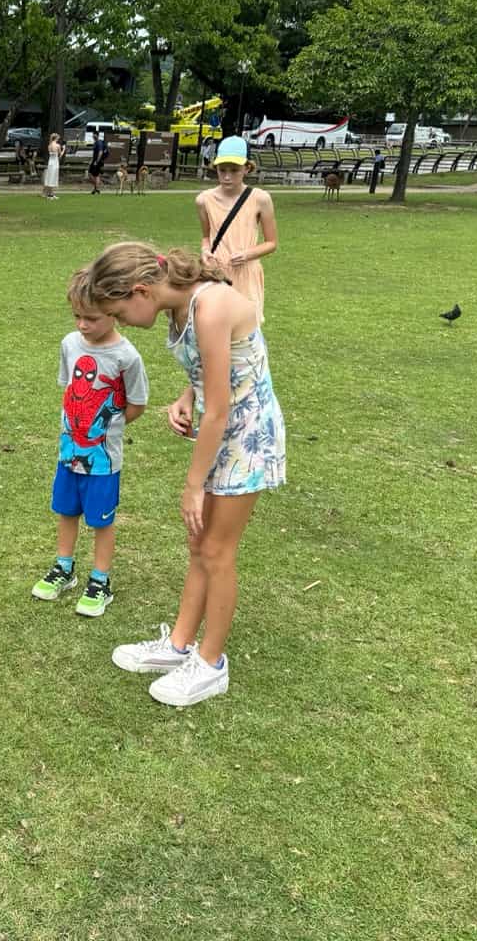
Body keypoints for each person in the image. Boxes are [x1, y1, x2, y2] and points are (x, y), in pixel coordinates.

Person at [85, 242, 286, 707]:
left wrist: (193, 486)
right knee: (199, 544)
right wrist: (186, 395)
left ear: (141, 291)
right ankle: (178, 646)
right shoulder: (181, 308)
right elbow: (216, 369)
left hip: (246, 437)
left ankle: (211, 664)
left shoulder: (209, 307)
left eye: (119, 313)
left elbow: (220, 408)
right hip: (224, 429)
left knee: (216, 550)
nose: (121, 323)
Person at [31, 269, 148, 618]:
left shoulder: (127, 357)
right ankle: (63, 568)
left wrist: (107, 429)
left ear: (114, 312)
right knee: (66, 510)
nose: (83, 325)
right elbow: (69, 389)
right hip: (68, 453)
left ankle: (100, 581)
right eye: (77, 316)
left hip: (103, 460)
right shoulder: (69, 344)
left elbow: (137, 405)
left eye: (92, 318)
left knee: (100, 520)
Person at [196, 136, 276, 325]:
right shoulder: (203, 200)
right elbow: (206, 237)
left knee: (245, 331)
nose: (227, 176)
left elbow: (271, 243)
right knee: (213, 328)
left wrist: (248, 254)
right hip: (216, 274)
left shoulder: (260, 199)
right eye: (222, 170)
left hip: (246, 274)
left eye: (234, 170)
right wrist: (205, 251)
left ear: (247, 168)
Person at [42, 132, 63, 199]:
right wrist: (64, 149)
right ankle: (50, 194)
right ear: (56, 138)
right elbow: (60, 155)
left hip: (50, 162)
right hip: (55, 163)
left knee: (50, 177)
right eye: (58, 138)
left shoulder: (49, 145)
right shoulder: (57, 145)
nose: (58, 139)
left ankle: (51, 193)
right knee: (53, 178)